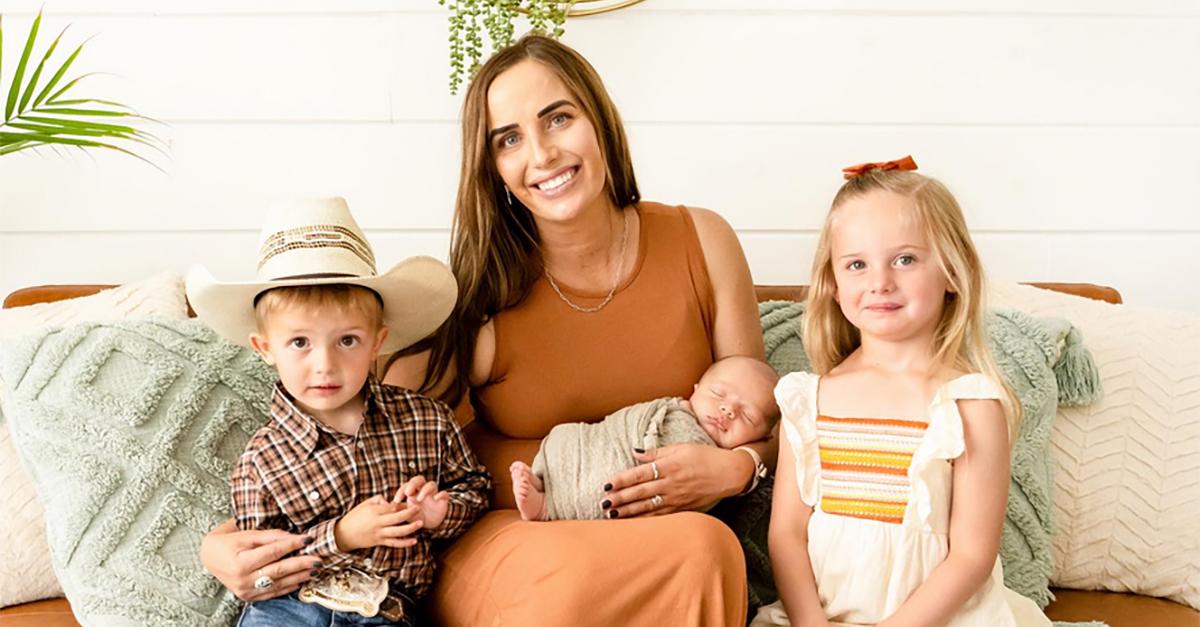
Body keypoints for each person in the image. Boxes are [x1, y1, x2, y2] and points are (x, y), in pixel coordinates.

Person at [382, 34, 775, 625]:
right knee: (638, 565)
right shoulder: (480, 296)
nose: (540, 155)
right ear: (492, 168)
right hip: (518, 539)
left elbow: (765, 416)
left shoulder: (703, 242)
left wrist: (737, 467)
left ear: (598, 120)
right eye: (509, 139)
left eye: (557, 119)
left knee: (704, 546)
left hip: (673, 540)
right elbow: (375, 433)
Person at [752, 158, 1051, 627]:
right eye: (856, 264)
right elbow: (787, 535)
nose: (880, 282)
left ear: (952, 272)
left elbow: (972, 556)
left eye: (905, 259)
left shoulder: (969, 403)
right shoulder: (809, 400)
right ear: (832, 283)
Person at [187, 198, 490, 626]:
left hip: (384, 609)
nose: (325, 364)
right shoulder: (259, 461)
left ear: (377, 341)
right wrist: (344, 535)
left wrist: (438, 513)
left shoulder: (427, 422)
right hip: (289, 609)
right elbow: (264, 569)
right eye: (300, 343)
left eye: (347, 341)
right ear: (265, 348)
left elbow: (476, 489)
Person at [511, 355, 780, 521]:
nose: (728, 410)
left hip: (631, 477)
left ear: (763, 436)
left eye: (748, 416)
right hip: (599, 437)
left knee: (613, 482)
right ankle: (542, 480)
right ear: (695, 389)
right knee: (565, 437)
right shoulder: (672, 412)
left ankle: (548, 507)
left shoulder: (718, 452)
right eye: (718, 394)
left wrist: (737, 465)